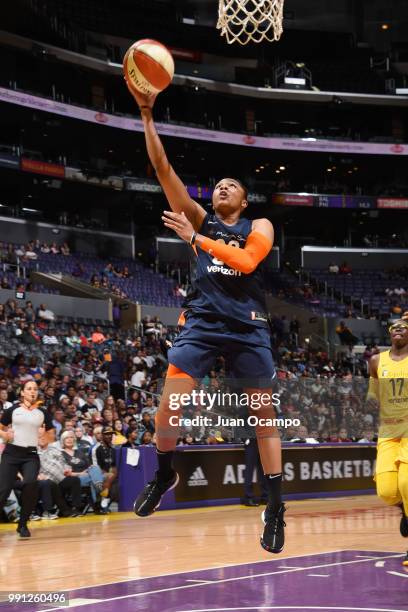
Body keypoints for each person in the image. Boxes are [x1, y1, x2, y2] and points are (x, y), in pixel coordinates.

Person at [126, 82, 285, 553]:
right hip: (202, 324)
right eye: (218, 185)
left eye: (231, 185)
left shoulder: (259, 226)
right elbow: (162, 168)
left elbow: (248, 262)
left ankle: (274, 507)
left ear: (244, 200)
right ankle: (164, 472)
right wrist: (148, 116)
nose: (222, 187)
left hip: (249, 326)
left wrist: (197, 243)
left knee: (265, 419)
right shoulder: (200, 218)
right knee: (167, 412)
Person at [368, 319, 408, 566]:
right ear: (389, 333)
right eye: (394, 327)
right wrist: (371, 398)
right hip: (387, 431)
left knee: (407, 481)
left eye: (404, 326)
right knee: (387, 490)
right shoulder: (375, 361)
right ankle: (404, 509)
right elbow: (373, 389)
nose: (399, 329)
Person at [0, 380, 55, 537]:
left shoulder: (42, 412)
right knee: (3, 491)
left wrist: (43, 436)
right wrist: (5, 435)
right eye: (29, 389)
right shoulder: (12, 410)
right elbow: (1, 427)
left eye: (35, 389)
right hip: (11, 453)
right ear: (22, 392)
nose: (33, 391)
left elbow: (51, 436)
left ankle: (22, 524)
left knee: (31, 485)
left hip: (30, 455)